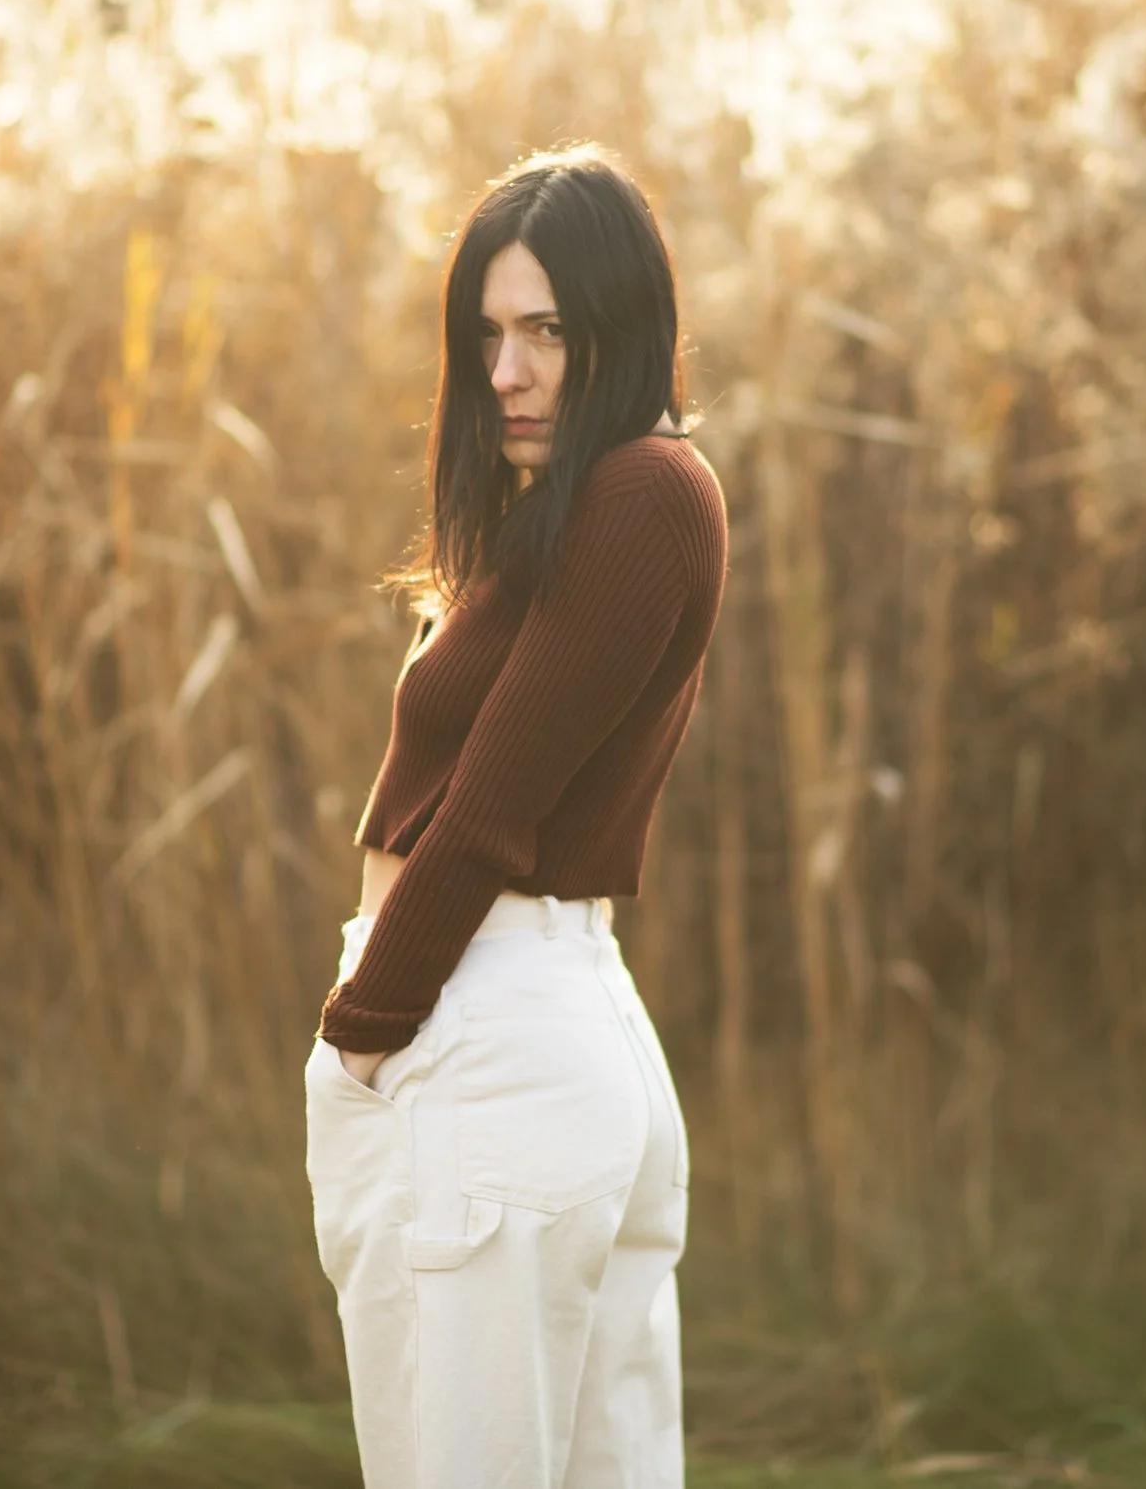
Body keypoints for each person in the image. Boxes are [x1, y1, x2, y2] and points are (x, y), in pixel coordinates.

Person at [305, 145, 728, 1488]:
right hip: (528, 1035)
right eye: (487, 336)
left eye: (549, 330)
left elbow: (486, 812)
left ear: (623, 325)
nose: (509, 373)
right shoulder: (574, 512)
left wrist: (363, 1033)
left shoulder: (643, 490)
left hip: (482, 1043)